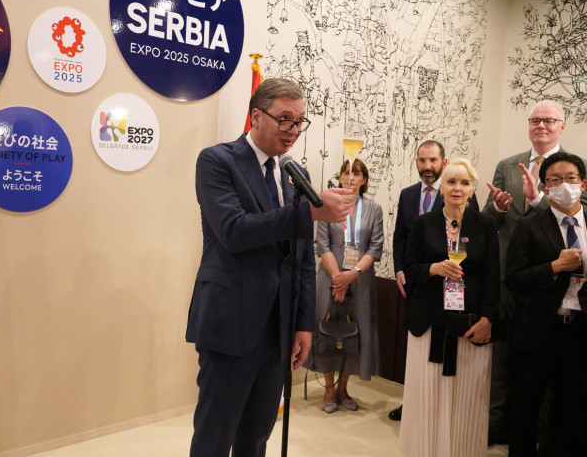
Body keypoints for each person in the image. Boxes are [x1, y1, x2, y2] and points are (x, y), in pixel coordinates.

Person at [185, 78, 353, 457]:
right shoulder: (217, 161)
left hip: (278, 330)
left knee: (257, 436)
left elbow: (302, 256)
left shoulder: (295, 174)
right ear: (256, 116)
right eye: (285, 119)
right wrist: (309, 212)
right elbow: (234, 231)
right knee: (214, 437)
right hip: (231, 323)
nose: (293, 130)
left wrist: (303, 323)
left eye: (300, 121)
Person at [482, 100, 587, 446]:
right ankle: (499, 424)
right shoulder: (507, 165)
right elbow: (487, 218)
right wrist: (498, 207)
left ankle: (545, 436)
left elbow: (577, 214)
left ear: (562, 126)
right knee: (506, 357)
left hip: (559, 285)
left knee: (555, 372)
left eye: (549, 120)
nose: (541, 125)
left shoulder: (573, 167)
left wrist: (541, 198)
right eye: (535, 120)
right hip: (512, 275)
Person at [398, 158, 499, 457]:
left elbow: (492, 274)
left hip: (469, 323)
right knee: (427, 395)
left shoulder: (485, 224)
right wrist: (433, 268)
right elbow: (410, 267)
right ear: (441, 187)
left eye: (464, 183)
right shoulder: (424, 223)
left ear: (473, 189)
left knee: (466, 396)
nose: (457, 188)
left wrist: (488, 318)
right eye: (451, 181)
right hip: (429, 323)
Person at [388, 140, 479, 421]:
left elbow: (473, 237)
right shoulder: (407, 195)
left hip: (450, 285)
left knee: (444, 347)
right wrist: (399, 269)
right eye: (422, 160)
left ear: (443, 162)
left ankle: (440, 408)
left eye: (433, 160)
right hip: (416, 280)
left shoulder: (458, 192)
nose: (427, 166)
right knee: (416, 344)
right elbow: (400, 237)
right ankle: (412, 402)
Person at [505, 151, 587, 457]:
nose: (564, 185)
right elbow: (514, 278)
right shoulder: (529, 225)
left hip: (580, 333)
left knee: (572, 412)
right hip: (538, 331)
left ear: (583, 183)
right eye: (555, 180)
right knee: (525, 410)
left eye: (570, 178)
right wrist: (554, 267)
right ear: (545, 187)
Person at [306, 158, 384, 413]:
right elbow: (322, 244)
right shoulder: (327, 206)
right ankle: (329, 389)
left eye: (357, 173)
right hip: (329, 278)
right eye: (346, 173)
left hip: (361, 281)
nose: (351, 177)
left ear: (364, 179)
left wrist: (351, 275)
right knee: (327, 330)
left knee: (354, 333)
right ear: (339, 177)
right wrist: (338, 278)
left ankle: (343, 388)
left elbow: (375, 247)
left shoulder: (374, 209)